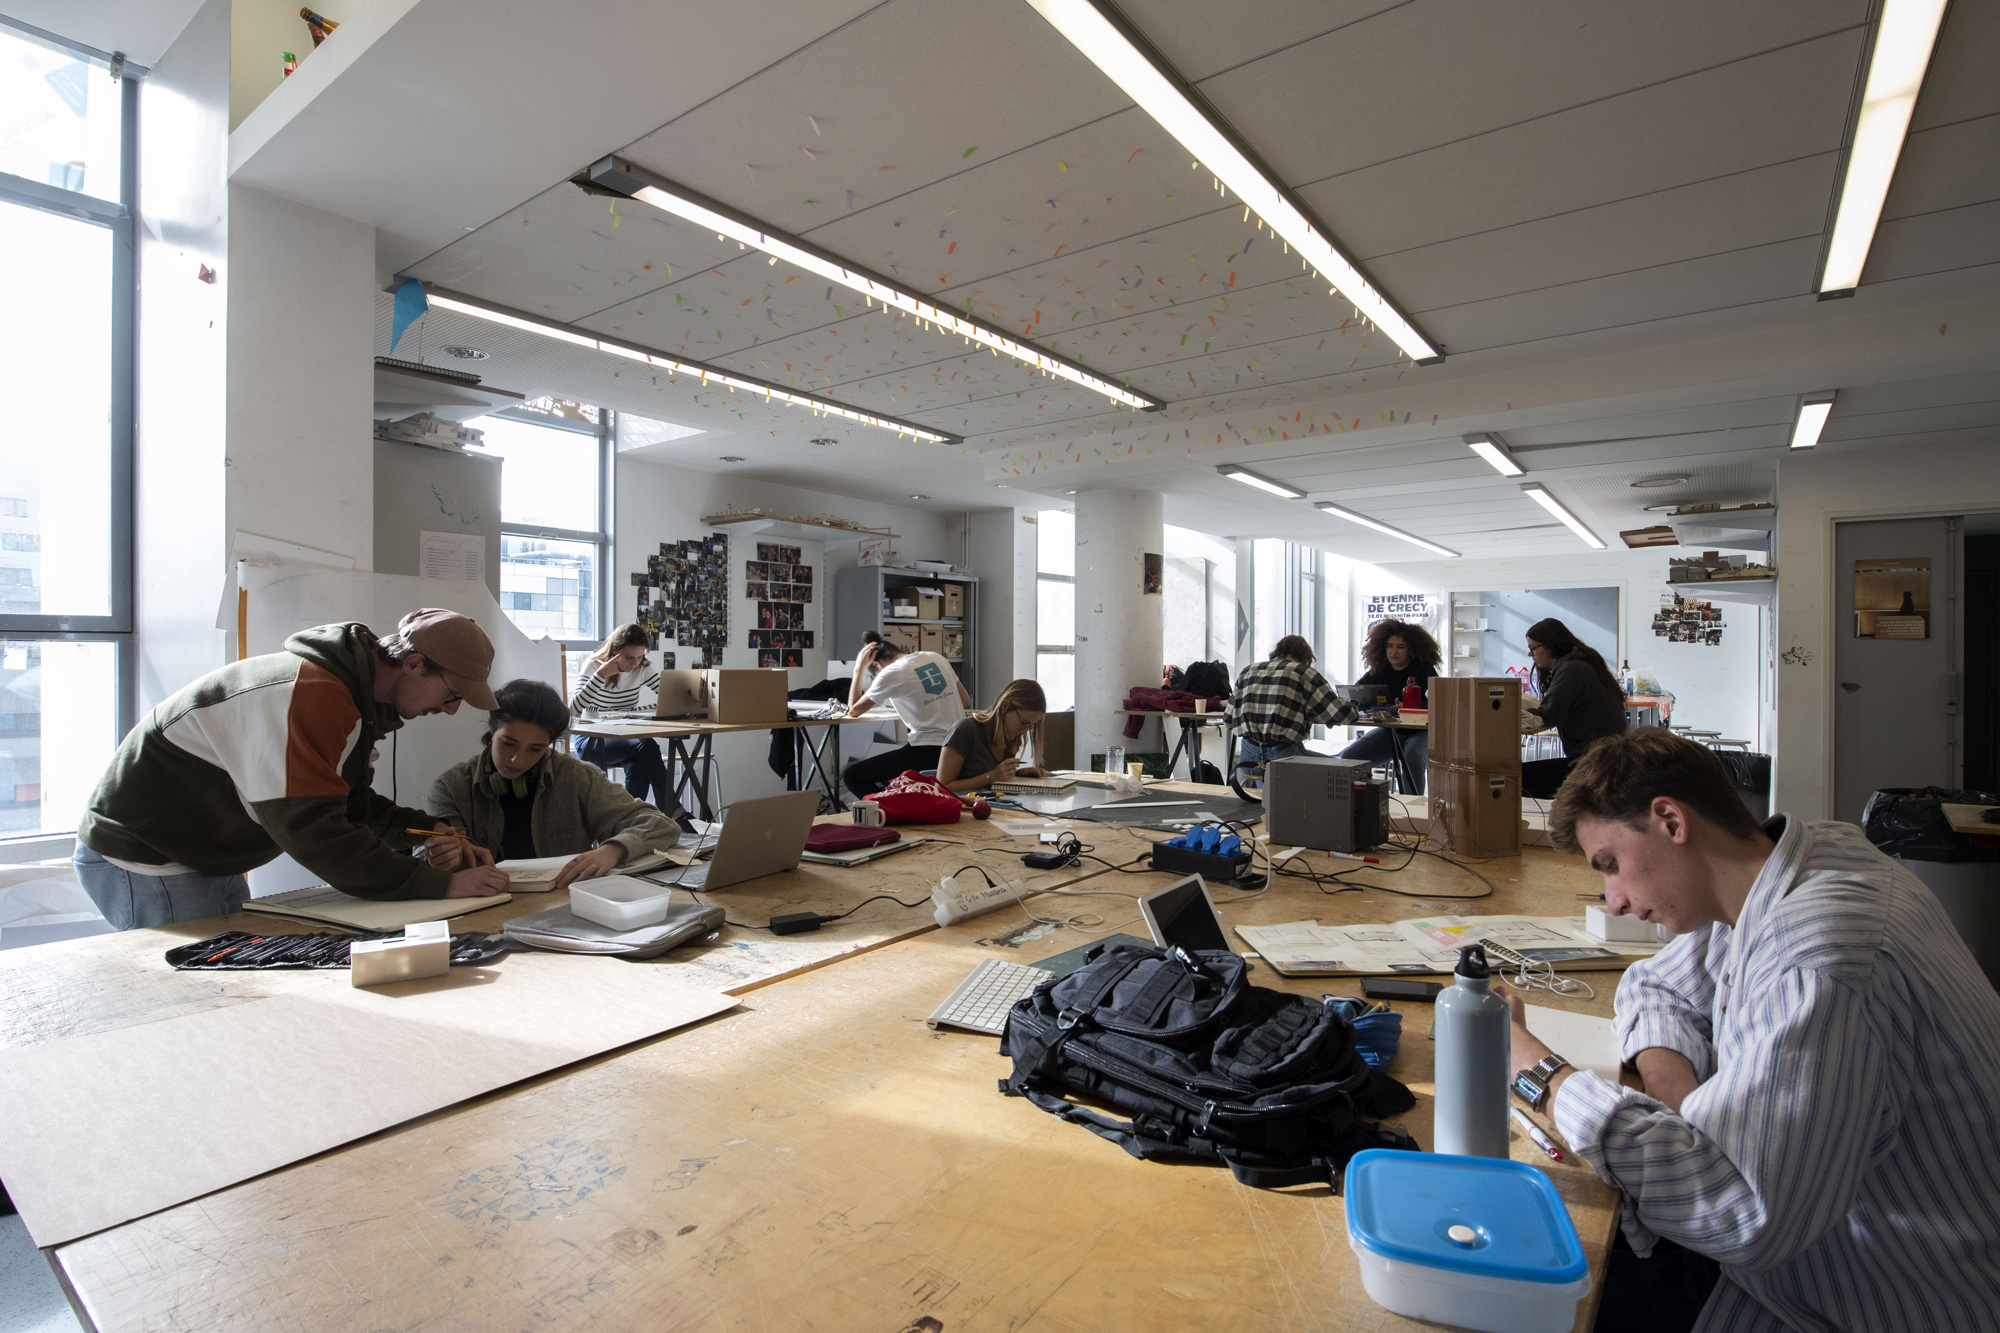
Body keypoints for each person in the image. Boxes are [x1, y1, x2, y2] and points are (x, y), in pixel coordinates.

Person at [1508, 728, 2000, 1333]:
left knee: (1519, 1288)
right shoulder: (1797, 863)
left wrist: (1540, 1074)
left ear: (1670, 820)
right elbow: (1654, 986)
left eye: (1610, 865)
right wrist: (1679, 1099)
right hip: (1808, 1259)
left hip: (1865, 1297)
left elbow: (1740, 1213)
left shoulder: (1820, 959)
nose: (1612, 900)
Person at [73, 609, 511, 929]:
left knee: (231, 992)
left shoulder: (352, 701)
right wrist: (437, 886)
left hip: (204, 856)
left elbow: (348, 805)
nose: (451, 711)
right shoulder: (312, 694)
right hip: (148, 856)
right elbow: (314, 831)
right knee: (198, 1008)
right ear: (414, 664)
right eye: (453, 695)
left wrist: (431, 829)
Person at [426, 679, 682, 891]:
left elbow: (660, 824)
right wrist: (440, 858)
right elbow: (429, 861)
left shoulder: (577, 777)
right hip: (484, 908)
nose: (518, 759)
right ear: (492, 729)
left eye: (535, 749)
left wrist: (612, 850)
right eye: (508, 744)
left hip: (565, 905)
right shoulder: (451, 787)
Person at [567, 623, 692, 827]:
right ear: (615, 651)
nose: (635, 663)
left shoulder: (642, 668)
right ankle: (673, 810)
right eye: (629, 657)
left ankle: (630, 823)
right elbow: (574, 709)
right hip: (590, 740)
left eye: (640, 657)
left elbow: (669, 700)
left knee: (639, 763)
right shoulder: (592, 666)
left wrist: (634, 712)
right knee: (647, 746)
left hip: (625, 739)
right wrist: (600, 675)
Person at [841, 631, 970, 798]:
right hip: (960, 747)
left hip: (927, 751)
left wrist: (858, 669)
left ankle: (892, 810)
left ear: (877, 664)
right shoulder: (936, 657)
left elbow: (853, 710)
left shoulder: (891, 672)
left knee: (853, 777)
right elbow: (965, 700)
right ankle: (899, 804)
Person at [1521, 616, 1627, 798]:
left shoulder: (1572, 670)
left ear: (1550, 645)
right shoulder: (1580, 663)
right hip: (1606, 759)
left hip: (1596, 765)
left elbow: (1546, 714)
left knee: (1511, 779)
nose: (1530, 654)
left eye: (1533, 648)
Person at [1223, 635, 1359, 776]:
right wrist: (1354, 706)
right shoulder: (1303, 672)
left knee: (1271, 778)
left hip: (1249, 759)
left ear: (1277, 651)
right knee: (1344, 770)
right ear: (1305, 657)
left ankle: (1268, 797)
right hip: (1286, 758)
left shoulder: (1248, 671)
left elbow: (1228, 719)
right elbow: (1340, 715)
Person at [1338, 618, 1441, 793]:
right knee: (1350, 757)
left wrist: (1410, 707)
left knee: (1412, 757)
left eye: (1400, 647)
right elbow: (1356, 695)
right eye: (1389, 646)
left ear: (1410, 650)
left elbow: (1440, 703)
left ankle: (1413, 809)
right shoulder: (1379, 670)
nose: (1393, 652)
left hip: (1422, 732)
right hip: (1391, 730)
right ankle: (1361, 804)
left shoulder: (1424, 669)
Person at [935, 679, 1047, 793]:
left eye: (1030, 727)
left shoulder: (1011, 737)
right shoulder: (965, 730)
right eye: (1023, 722)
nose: (1024, 732)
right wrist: (991, 776)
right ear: (1004, 706)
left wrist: (1018, 775)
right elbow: (941, 788)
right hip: (962, 808)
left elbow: (994, 782)